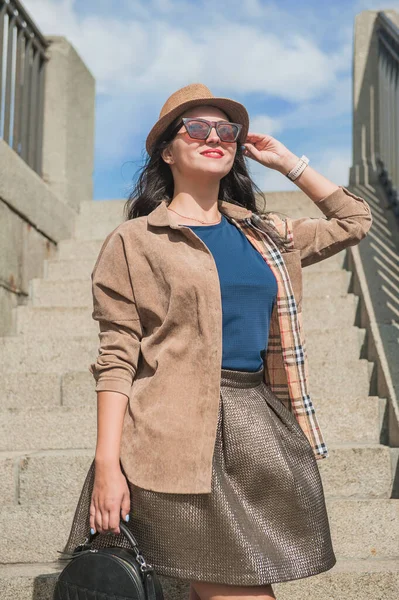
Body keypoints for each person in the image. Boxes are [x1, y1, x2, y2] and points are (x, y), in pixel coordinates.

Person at [61, 83, 372, 600]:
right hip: (168, 437)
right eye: (197, 128)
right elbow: (117, 359)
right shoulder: (135, 241)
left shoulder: (263, 233)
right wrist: (107, 467)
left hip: (256, 429)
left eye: (226, 130)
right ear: (166, 150)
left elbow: (354, 221)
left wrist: (288, 163)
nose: (215, 137)